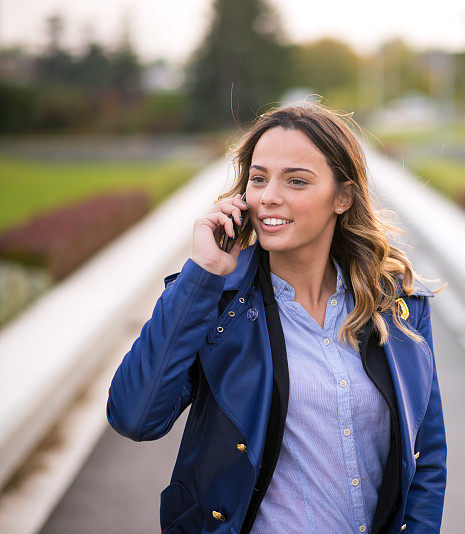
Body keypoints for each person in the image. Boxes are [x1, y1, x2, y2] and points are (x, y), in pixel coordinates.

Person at [106, 102, 447, 534]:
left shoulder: (396, 305)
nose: (268, 196)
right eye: (259, 178)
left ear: (343, 197)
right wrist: (202, 276)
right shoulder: (212, 301)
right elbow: (134, 417)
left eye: (297, 181)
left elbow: (425, 455)